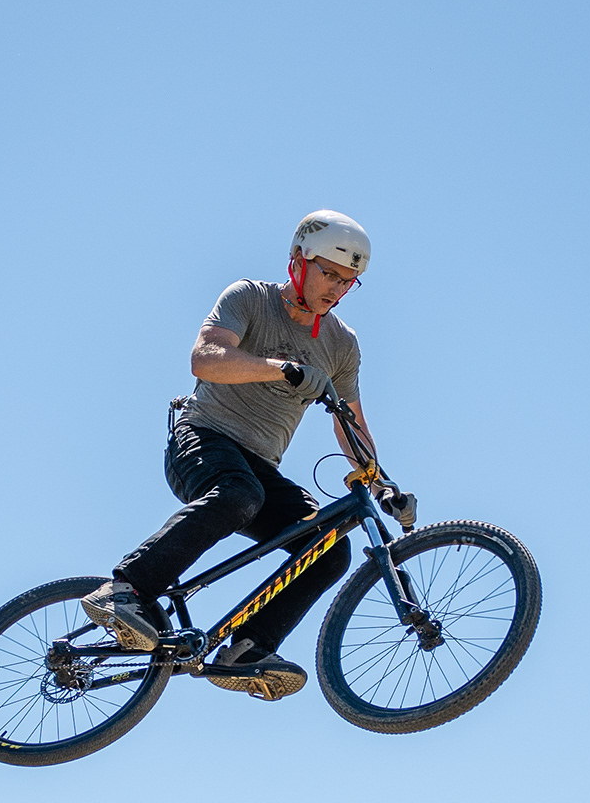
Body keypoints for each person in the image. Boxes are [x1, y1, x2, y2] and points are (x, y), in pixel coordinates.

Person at [81, 211, 408, 704]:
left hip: (259, 468)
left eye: (348, 282)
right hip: (201, 438)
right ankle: (126, 590)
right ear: (299, 261)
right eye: (329, 274)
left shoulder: (341, 344)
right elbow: (205, 358)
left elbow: (351, 422)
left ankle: (247, 650)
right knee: (239, 494)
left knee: (328, 548)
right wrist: (283, 369)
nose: (337, 289)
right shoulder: (250, 297)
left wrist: (380, 482)